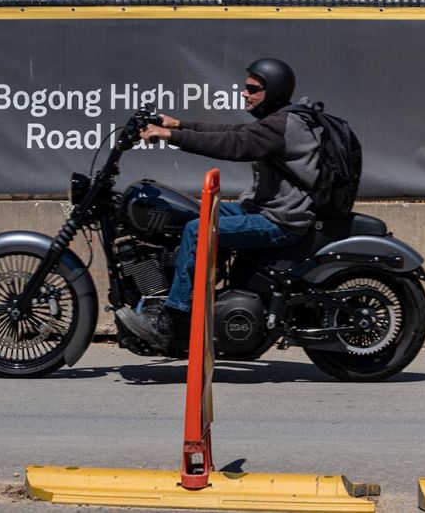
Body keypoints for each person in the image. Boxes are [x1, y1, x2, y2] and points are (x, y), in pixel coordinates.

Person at [115, 57, 322, 350]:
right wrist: (179, 124)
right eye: (245, 88)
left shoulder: (281, 125)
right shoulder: (278, 120)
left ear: (272, 91)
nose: (244, 93)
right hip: (264, 208)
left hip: (280, 219)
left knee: (198, 230)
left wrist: (171, 135)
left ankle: (171, 318)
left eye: (253, 89)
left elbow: (232, 145)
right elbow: (232, 132)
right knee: (193, 213)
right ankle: (186, 295)